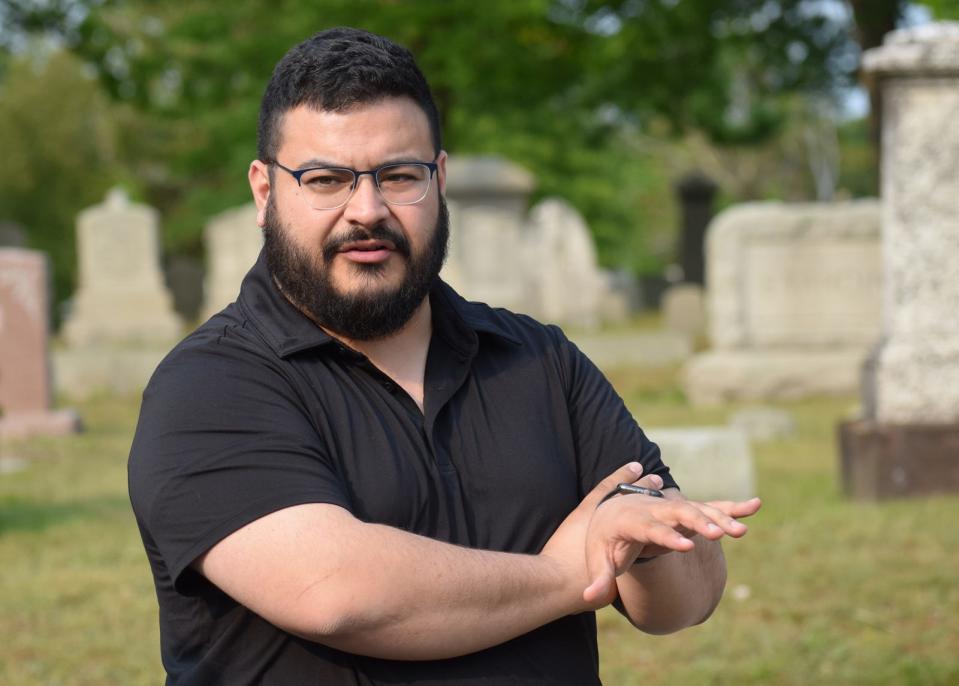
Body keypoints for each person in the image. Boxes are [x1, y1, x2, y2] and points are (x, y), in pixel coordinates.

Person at [128, 26, 761, 685]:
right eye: (326, 180)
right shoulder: (207, 387)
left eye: (399, 175)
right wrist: (569, 572)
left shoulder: (537, 359)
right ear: (265, 192)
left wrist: (642, 542)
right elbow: (339, 594)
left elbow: (683, 604)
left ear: (440, 177)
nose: (366, 210)